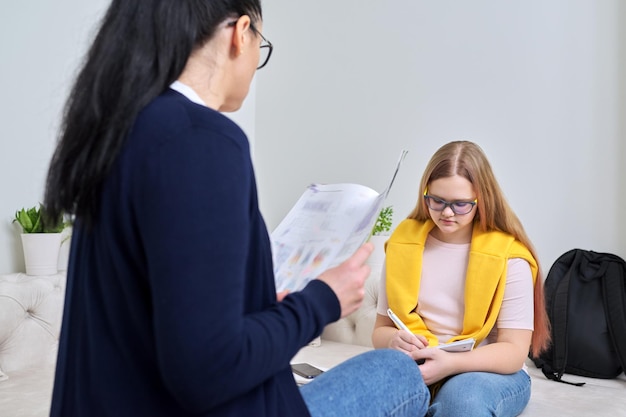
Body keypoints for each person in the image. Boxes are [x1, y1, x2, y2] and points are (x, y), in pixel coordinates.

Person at [43, 1, 430, 416]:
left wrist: (263, 306)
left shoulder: (113, 136)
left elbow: (164, 317)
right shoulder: (200, 140)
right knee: (397, 370)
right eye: (259, 44)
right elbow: (207, 368)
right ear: (239, 33)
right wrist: (323, 300)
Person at [372, 141, 551, 417]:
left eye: (460, 205)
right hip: (419, 364)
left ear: (482, 200)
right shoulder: (402, 245)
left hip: (487, 371)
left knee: (462, 402)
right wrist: (394, 341)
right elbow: (380, 330)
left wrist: (449, 364)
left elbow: (514, 352)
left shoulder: (510, 256)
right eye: (437, 200)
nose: (446, 212)